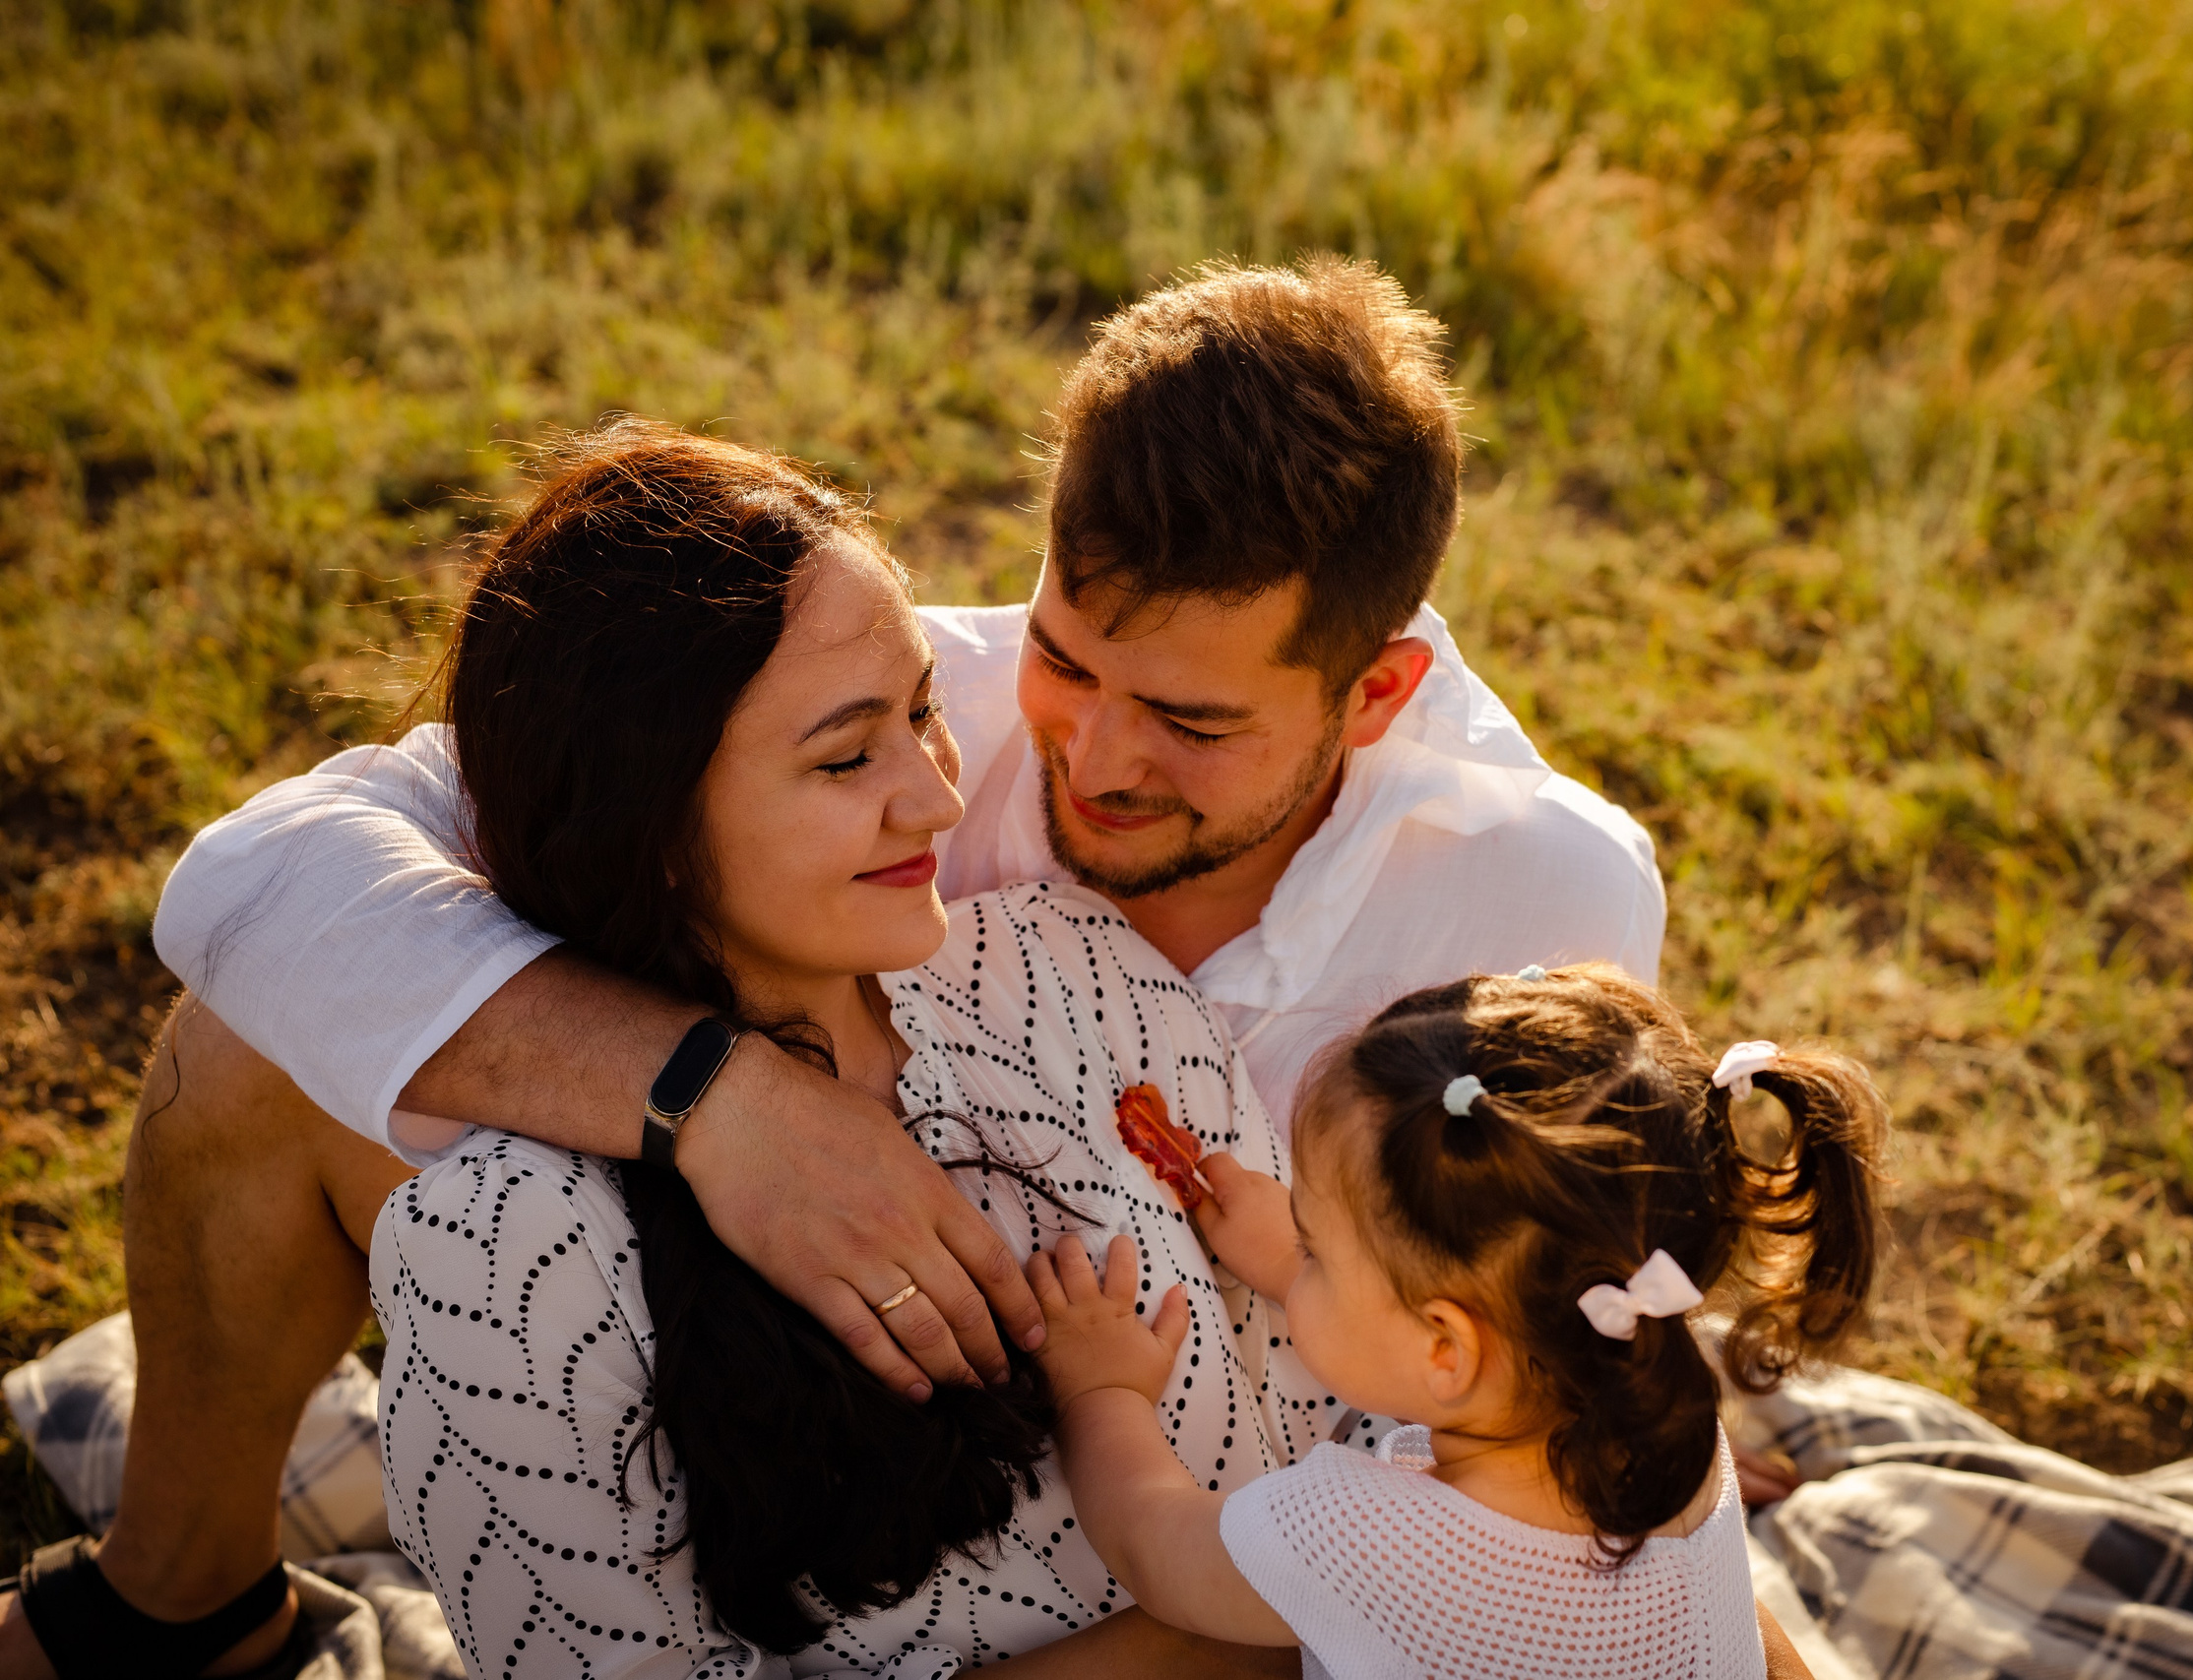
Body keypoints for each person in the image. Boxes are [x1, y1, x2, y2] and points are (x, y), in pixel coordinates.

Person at [0, 258, 1665, 1678]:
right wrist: (716, 1099)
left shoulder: (1536, 895)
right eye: (1068, 660)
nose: (1084, 761)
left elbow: (1505, 1396)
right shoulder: (893, 687)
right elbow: (265, 876)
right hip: (789, 1375)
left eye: (1193, 721)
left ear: (1372, 695)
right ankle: (178, 1605)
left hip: (1251, 1522)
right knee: (260, 1044)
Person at [364, 420, 1339, 1675]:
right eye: (845, 757)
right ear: (649, 825)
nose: (939, 796)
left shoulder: (1073, 967)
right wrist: (1247, 1633)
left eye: (924, 711)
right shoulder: (504, 1247)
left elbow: (1352, 1422)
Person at [1030, 964, 1871, 1679]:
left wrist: (1101, 1389)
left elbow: (1154, 1548)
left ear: (1446, 1347)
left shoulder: (1374, 1543)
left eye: (1314, 1250)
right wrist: (1297, 1261)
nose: (1298, 1251)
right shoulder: (1665, 1427)